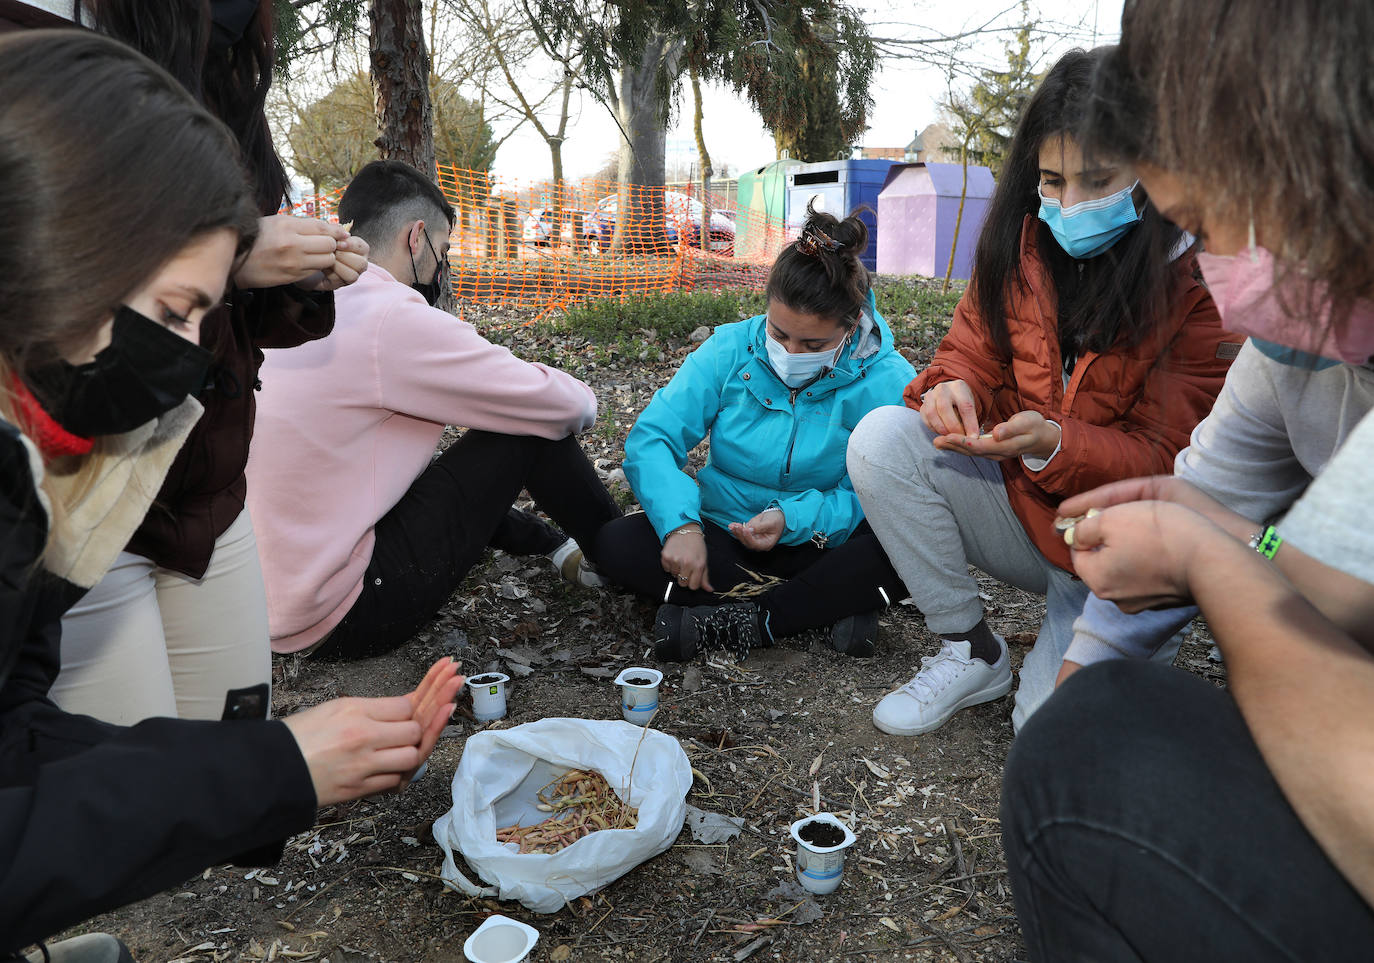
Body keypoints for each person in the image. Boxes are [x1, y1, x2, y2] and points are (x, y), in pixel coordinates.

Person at [0, 31, 464, 959]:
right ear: (59, 247)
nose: (184, 364)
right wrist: (273, 770)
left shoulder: (26, 479)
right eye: (176, 313)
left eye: (209, 317)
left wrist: (276, 764)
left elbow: (16, 732)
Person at [1000, 1, 1374, 958]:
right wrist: (1075, 695)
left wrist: (1210, 558)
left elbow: (1277, 564)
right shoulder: (1292, 351)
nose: (1213, 273)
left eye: (1206, 225)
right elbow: (1271, 542)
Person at [845, 47, 1236, 736]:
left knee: (1047, 737)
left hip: (1125, 554)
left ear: (1155, 171)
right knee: (881, 442)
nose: (1069, 204)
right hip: (1034, 516)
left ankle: (1126, 651)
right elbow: (967, 349)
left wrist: (1058, 444)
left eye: (1097, 179)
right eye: (1052, 180)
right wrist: (949, 387)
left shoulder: (1200, 288)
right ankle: (972, 649)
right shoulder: (1020, 243)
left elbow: (1176, 464)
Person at [49, 0, 369, 724]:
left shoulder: (215, 66)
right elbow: (53, 289)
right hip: (89, 499)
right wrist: (234, 253)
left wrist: (294, 274)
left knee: (233, 755)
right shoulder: (35, 51)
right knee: (134, 795)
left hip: (207, 492)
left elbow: (234, 329)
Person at [245, 159, 622, 660]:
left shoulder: (292, 308)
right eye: (443, 252)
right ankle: (623, 559)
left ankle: (554, 545)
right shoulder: (390, 315)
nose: (442, 268)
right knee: (527, 428)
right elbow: (566, 404)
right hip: (344, 615)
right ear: (416, 238)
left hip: (260, 601)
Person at [592, 207, 914, 661]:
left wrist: (794, 518)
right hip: (722, 531)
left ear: (852, 323)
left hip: (823, 538)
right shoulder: (728, 347)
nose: (789, 352)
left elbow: (879, 490)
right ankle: (824, 606)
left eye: (813, 345)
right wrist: (681, 526)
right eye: (778, 334)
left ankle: (756, 620)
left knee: (905, 550)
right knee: (615, 544)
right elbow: (652, 439)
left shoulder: (889, 379)